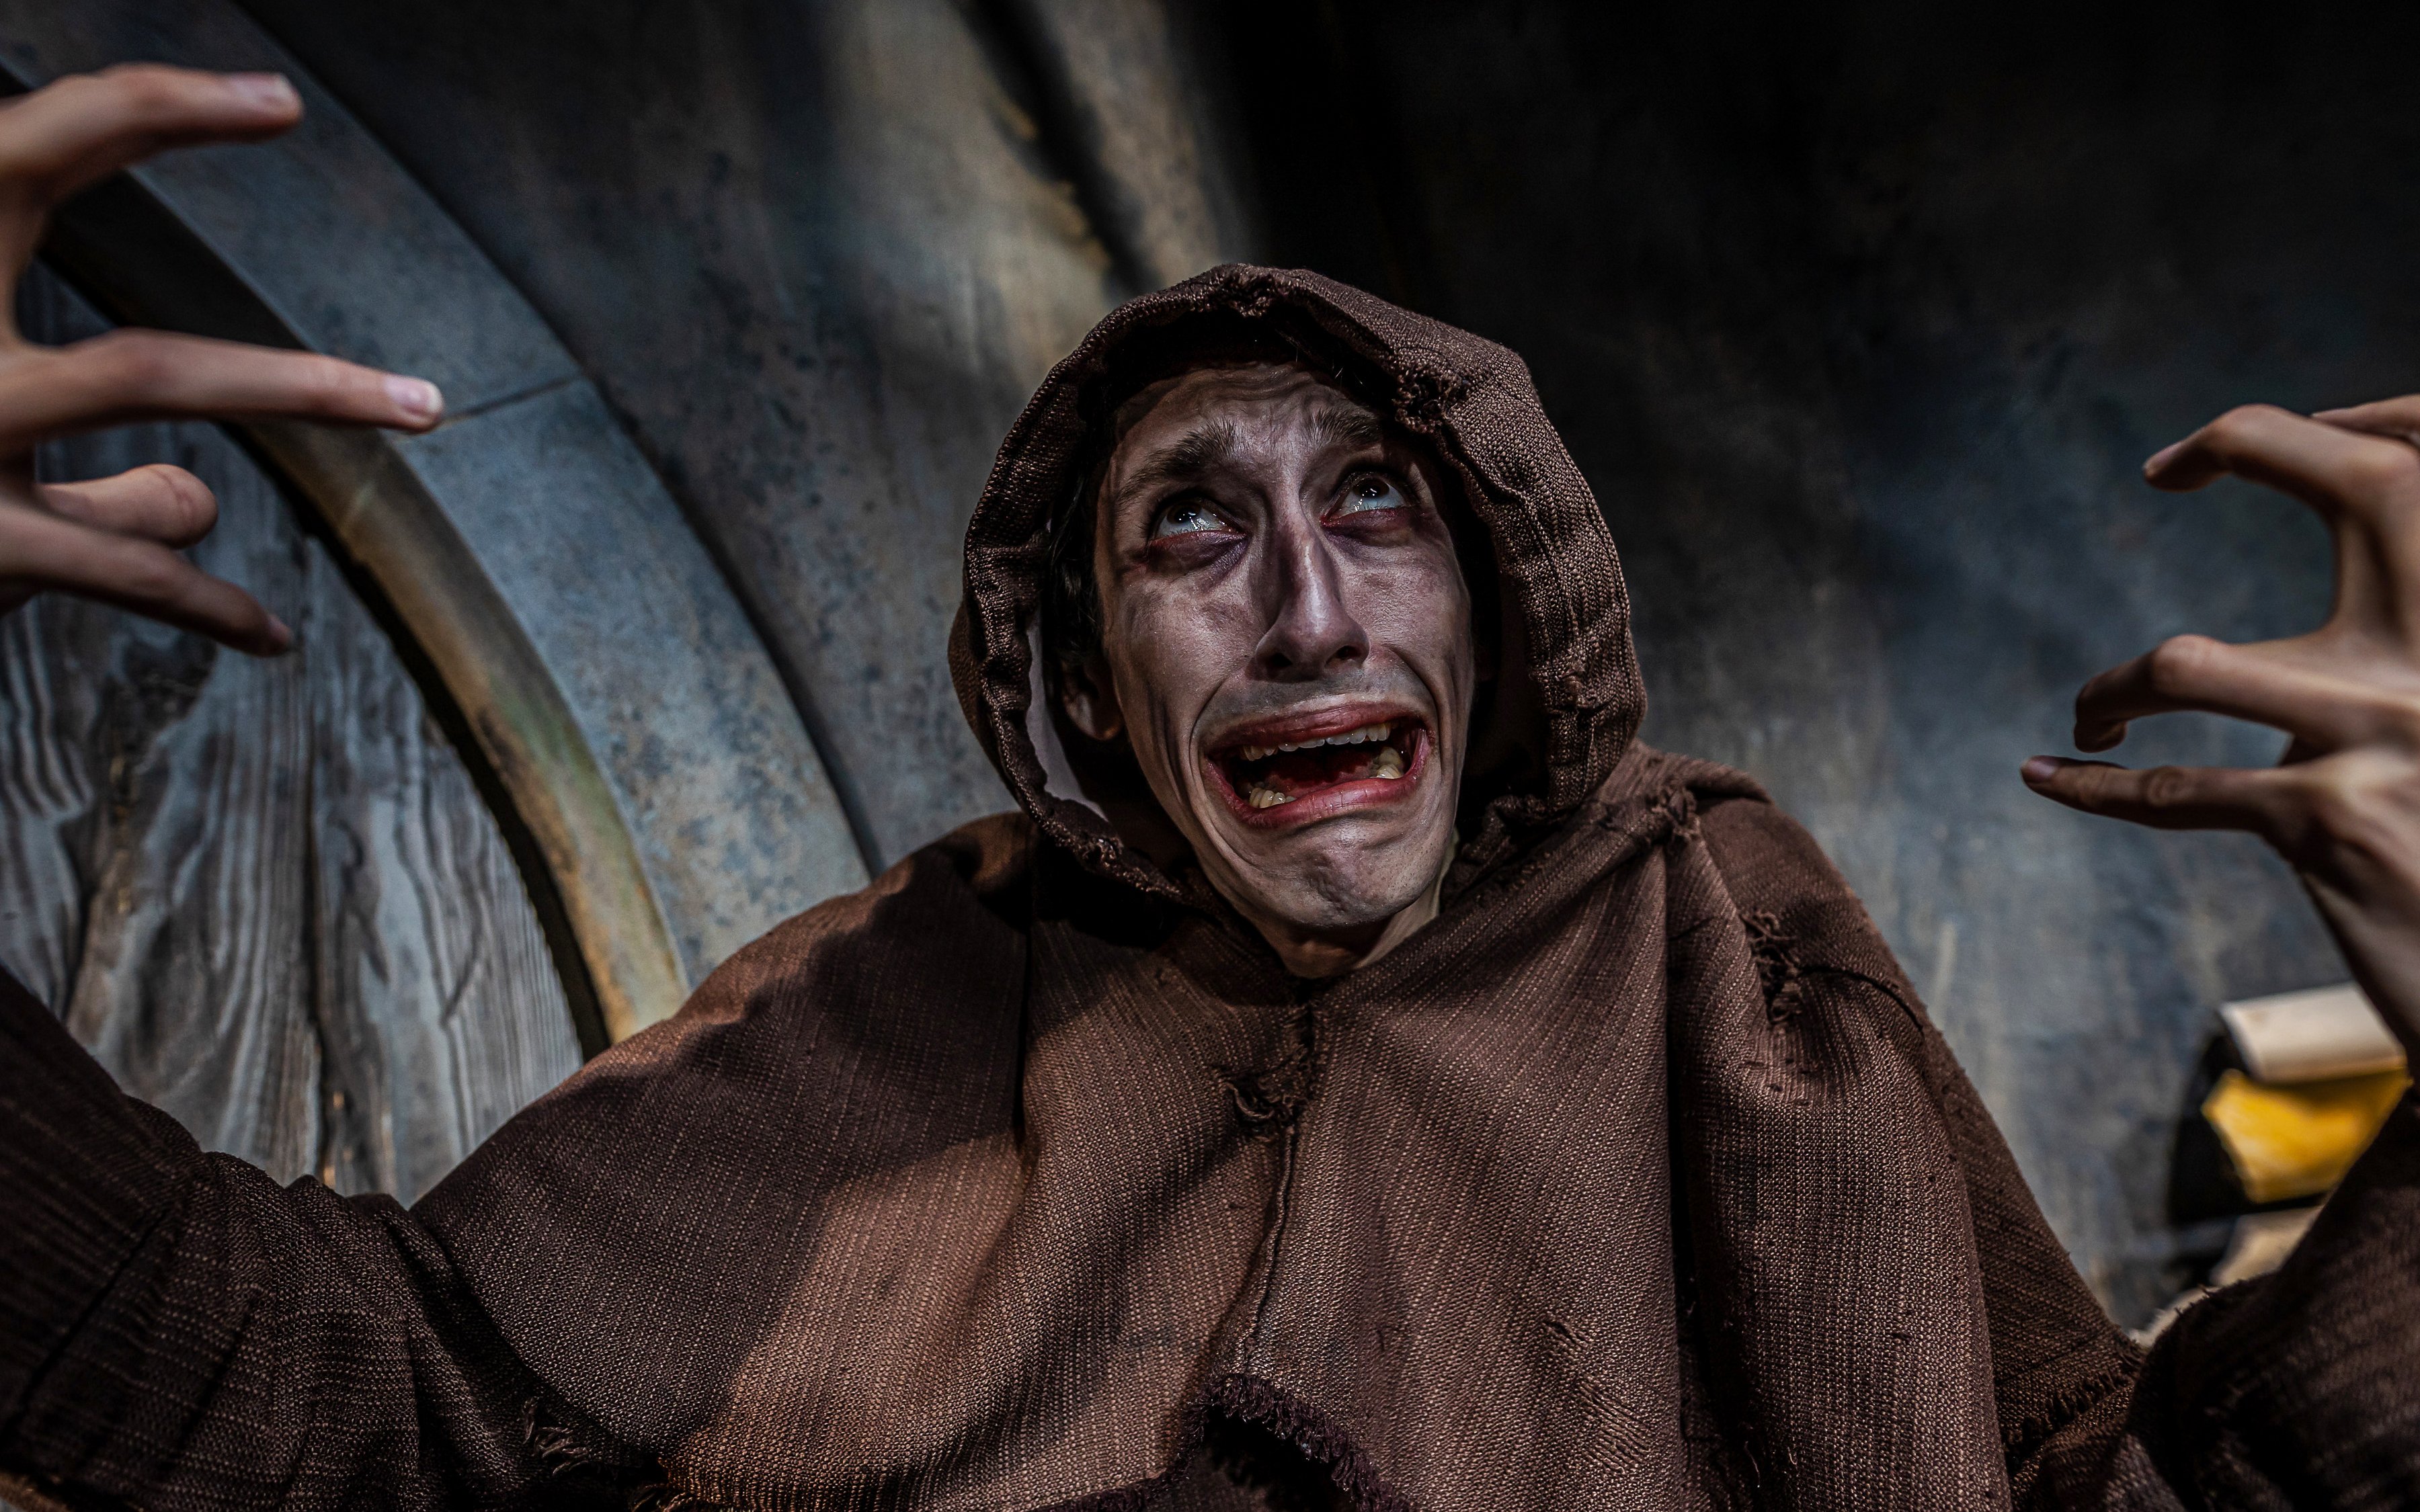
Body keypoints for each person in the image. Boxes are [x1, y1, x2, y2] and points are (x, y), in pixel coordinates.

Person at [4, 63, 2419, 1512]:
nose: (1305, 606)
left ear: (1496, 594)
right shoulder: (916, 990)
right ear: (1086, 662)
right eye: (1195, 526)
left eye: (1380, 503)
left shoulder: (1716, 938)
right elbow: (339, 1396)